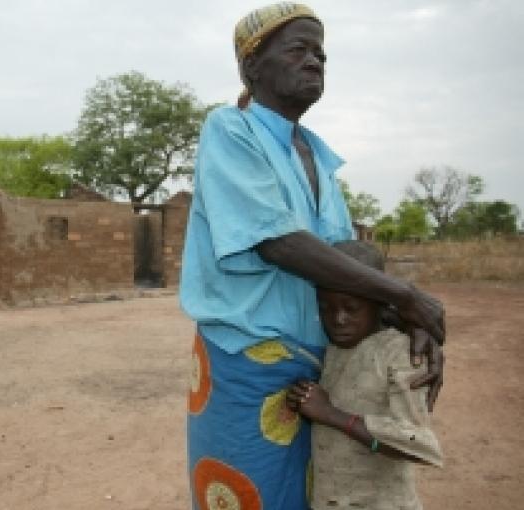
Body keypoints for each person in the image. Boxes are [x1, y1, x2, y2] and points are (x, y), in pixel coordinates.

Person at [179, 3, 445, 509]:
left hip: (326, 370)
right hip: (247, 363)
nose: (315, 60)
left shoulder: (319, 156)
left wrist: (408, 325)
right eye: (298, 49)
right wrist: (407, 297)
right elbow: (275, 241)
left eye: (321, 53)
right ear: (251, 67)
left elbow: (351, 267)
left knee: (317, 495)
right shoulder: (230, 131)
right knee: (248, 494)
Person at [287, 241, 443, 509]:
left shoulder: (401, 352)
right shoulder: (333, 349)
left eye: (352, 308)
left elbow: (419, 443)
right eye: (326, 308)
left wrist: (330, 414)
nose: (339, 319)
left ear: (381, 304)